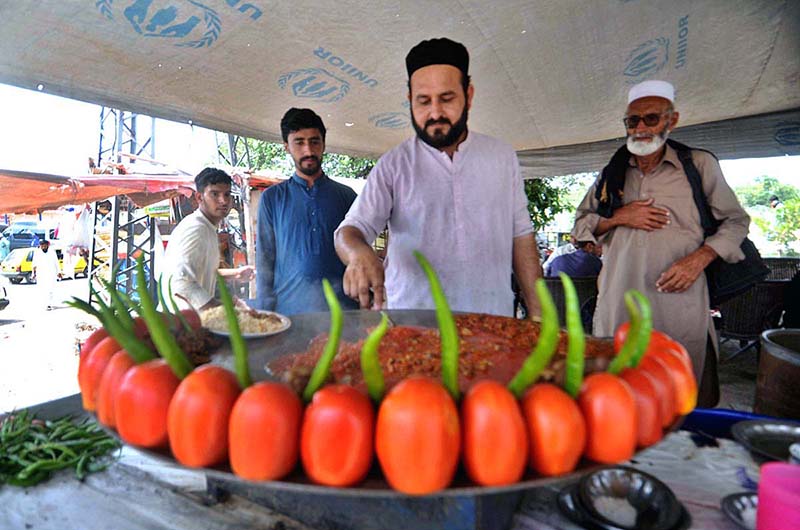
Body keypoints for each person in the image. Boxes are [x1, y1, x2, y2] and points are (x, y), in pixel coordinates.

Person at [572, 80, 750, 407]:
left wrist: (701, 257)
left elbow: (737, 221)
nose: (640, 128)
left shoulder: (698, 165)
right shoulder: (611, 174)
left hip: (678, 305)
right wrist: (617, 218)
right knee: (617, 396)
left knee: (680, 397)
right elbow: (579, 225)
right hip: (618, 304)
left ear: (672, 120)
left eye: (651, 119)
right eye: (632, 121)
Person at [334, 37, 542, 317]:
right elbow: (349, 231)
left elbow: (521, 238)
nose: (435, 113)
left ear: (468, 95)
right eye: (423, 101)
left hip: (491, 323)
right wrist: (358, 254)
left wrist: (541, 318)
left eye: (446, 99)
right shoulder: (394, 164)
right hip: (412, 325)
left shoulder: (502, 157)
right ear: (410, 100)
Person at [254, 108, 358, 314]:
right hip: (290, 312)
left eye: (314, 141)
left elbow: (360, 254)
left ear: (324, 144)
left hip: (344, 310)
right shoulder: (272, 198)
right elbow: (265, 257)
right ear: (286, 147)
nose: (308, 151)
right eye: (299, 142)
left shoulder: (347, 196)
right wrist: (265, 310)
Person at [162, 168, 254, 311]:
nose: (223, 201)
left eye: (227, 194)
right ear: (199, 198)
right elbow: (182, 282)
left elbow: (200, 271)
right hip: (182, 325)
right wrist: (223, 312)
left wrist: (235, 274)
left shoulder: (207, 227)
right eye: (215, 194)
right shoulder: (196, 229)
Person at [31, 240, 60, 310]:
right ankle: (45, 304)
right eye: (42, 245)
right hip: (41, 274)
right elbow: (34, 264)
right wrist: (33, 274)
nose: (43, 247)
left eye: (45, 245)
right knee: (43, 290)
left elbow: (56, 262)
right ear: (40, 246)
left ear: (48, 245)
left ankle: (49, 304)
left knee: (50, 289)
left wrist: (58, 272)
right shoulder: (37, 253)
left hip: (51, 274)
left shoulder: (52, 252)